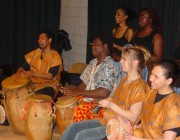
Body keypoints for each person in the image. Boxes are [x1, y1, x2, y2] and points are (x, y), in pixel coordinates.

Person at [60, 46, 150, 140]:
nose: (120, 61)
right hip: (109, 120)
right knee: (72, 128)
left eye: (124, 59)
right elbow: (120, 101)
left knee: (81, 136)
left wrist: (111, 105)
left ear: (135, 63)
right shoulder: (125, 79)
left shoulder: (139, 87)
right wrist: (107, 100)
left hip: (120, 128)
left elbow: (133, 117)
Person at [59, 35, 120, 122]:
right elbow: (83, 85)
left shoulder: (110, 65)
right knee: (64, 102)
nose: (93, 47)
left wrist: (78, 92)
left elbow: (104, 92)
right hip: (87, 100)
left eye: (96, 44)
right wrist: (68, 92)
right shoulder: (93, 63)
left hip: (100, 106)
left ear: (105, 46)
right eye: (92, 44)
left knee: (75, 112)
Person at [124, 59, 180, 140]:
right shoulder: (151, 93)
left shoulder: (174, 105)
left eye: (156, 77)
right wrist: (138, 126)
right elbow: (149, 123)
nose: (150, 79)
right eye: (151, 74)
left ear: (168, 81)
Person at [16, 30, 63, 99]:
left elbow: (50, 76)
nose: (39, 40)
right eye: (39, 38)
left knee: (34, 97)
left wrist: (33, 73)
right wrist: (19, 72)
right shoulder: (35, 53)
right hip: (32, 83)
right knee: (16, 91)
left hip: (49, 85)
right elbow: (22, 67)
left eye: (42, 38)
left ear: (49, 40)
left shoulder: (55, 56)